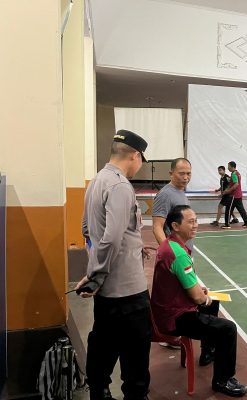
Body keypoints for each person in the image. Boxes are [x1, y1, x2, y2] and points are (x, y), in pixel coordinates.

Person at [76, 130, 151, 400]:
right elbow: (112, 238)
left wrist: (95, 272)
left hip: (108, 292)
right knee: (135, 360)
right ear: (135, 155)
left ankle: (99, 392)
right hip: (128, 292)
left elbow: (87, 230)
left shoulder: (97, 180)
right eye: (141, 160)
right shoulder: (120, 185)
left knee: (103, 346)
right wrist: (97, 274)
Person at [151, 205, 247, 397]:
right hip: (175, 318)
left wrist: (201, 295)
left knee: (213, 304)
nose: (195, 225)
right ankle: (222, 381)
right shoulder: (179, 254)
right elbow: (196, 297)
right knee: (228, 329)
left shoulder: (170, 245)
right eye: (191, 222)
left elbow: (182, 283)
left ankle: (207, 353)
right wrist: (203, 297)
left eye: (196, 221)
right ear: (175, 226)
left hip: (166, 308)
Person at [151, 157, 218, 364]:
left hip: (184, 255)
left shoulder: (180, 192)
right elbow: (157, 226)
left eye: (189, 173)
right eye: (181, 173)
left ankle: (203, 346)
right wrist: (172, 252)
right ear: (171, 173)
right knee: (194, 299)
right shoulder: (165, 194)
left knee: (196, 297)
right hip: (178, 258)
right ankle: (178, 334)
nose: (186, 177)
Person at [221, 161, 247, 229]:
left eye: (228, 166)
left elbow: (236, 184)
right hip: (238, 195)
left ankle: (227, 224)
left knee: (228, 210)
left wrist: (227, 191)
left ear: (232, 167)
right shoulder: (237, 173)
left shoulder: (234, 174)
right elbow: (233, 184)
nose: (228, 168)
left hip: (234, 195)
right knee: (241, 210)